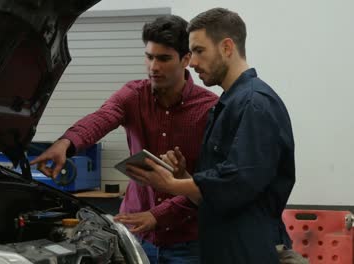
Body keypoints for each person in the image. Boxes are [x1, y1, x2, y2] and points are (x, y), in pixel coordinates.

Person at [30, 15, 218, 263]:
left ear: (185, 59)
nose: (153, 67)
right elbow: (101, 118)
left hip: (188, 242)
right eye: (149, 57)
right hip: (135, 235)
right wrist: (66, 143)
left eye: (163, 58)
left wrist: (157, 215)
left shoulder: (209, 109)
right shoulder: (133, 94)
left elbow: (208, 186)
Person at [126, 8, 296, 264]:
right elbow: (213, 192)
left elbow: (237, 182)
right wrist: (184, 178)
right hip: (223, 247)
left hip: (249, 250)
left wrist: (171, 185)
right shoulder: (226, 105)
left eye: (199, 51)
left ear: (227, 47)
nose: (192, 63)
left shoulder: (254, 104)